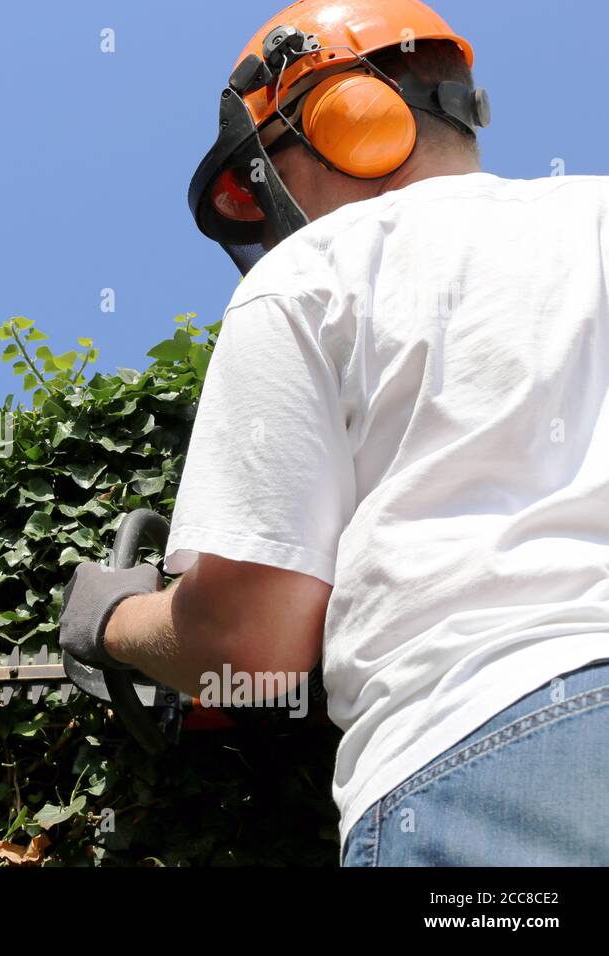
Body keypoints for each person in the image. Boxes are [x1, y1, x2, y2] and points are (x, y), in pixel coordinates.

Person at [59, 0, 609, 866]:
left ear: (348, 122)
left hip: (485, 756)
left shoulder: (312, 272)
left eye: (266, 166)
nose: (279, 212)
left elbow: (255, 646)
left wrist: (115, 620)